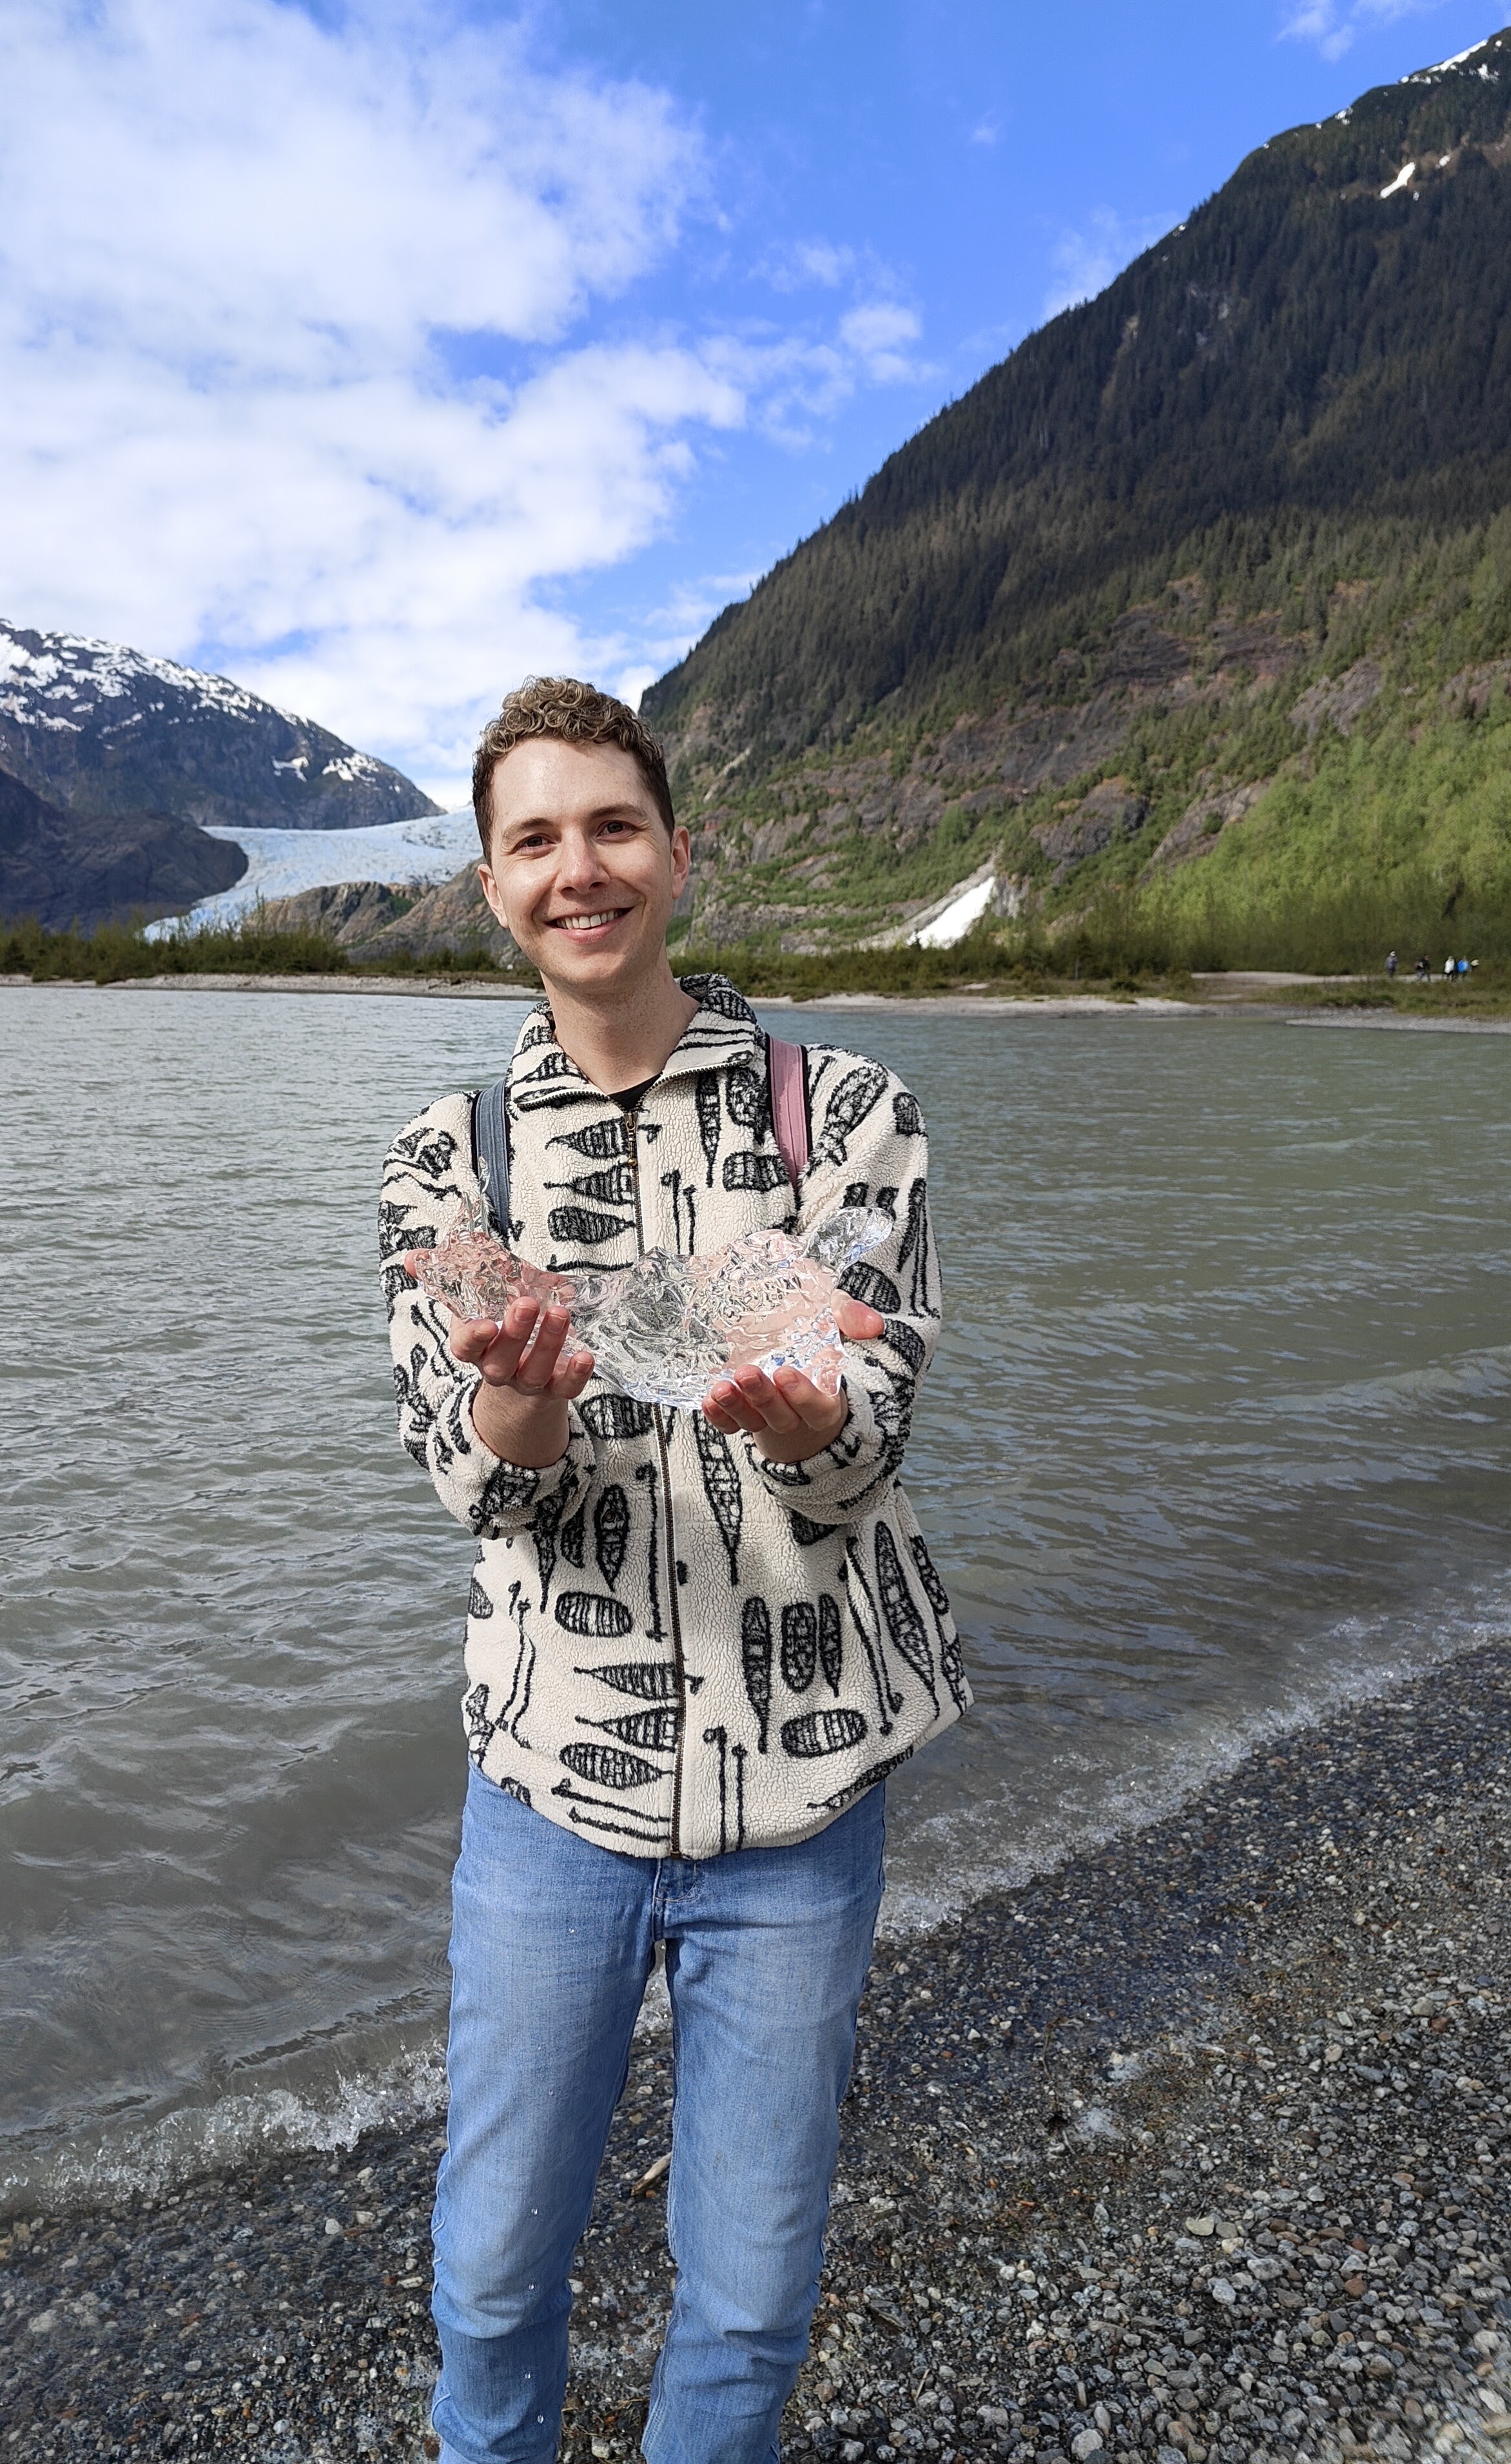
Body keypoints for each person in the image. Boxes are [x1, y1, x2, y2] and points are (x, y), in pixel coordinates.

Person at [378, 678, 970, 2464]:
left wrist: (797, 1420)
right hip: (551, 1787)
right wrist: (524, 1414)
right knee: (489, 2275)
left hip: (803, 1803)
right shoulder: (445, 1160)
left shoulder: (845, 1113)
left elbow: (871, 1434)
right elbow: (469, 1489)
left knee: (749, 2293)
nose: (582, 869)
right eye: (537, 840)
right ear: (491, 886)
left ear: (679, 855)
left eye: (613, 827)